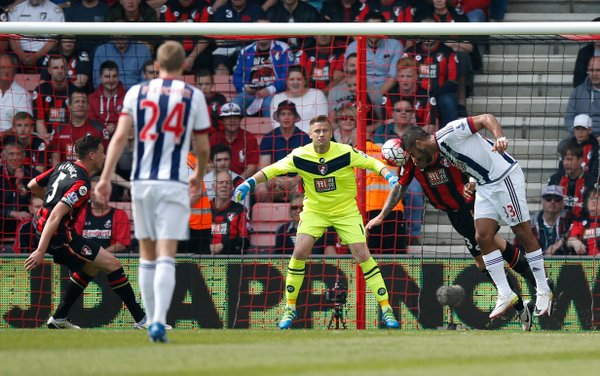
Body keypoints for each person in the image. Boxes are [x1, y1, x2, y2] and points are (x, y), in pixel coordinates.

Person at [234, 115, 400, 329]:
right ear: (310, 134)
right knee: (300, 252)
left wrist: (390, 176)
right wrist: (248, 182)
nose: (321, 134)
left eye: (325, 130)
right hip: (315, 211)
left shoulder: (345, 152)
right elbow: (271, 170)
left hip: (345, 211)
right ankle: (290, 307)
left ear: (331, 133)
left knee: (362, 253)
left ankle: (386, 308)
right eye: (317, 131)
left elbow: (374, 163)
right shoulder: (300, 155)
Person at [95, 41, 211, 342]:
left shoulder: (136, 92)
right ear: (184, 65)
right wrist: (198, 174)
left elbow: (120, 137)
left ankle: (150, 321)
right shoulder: (193, 95)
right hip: (173, 183)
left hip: (142, 183)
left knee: (146, 254)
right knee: (166, 254)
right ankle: (159, 320)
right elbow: (202, 145)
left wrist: (106, 177)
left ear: (156, 65)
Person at [367, 139, 539, 329]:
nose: (412, 160)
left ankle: (525, 300)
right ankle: (531, 293)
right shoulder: (411, 164)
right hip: (454, 212)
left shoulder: (445, 153)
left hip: (470, 205)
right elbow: (400, 187)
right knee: (492, 248)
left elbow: (471, 165)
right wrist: (382, 215)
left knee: (486, 252)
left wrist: (472, 183)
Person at [401, 114, 554, 318]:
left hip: (504, 177)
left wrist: (499, 137)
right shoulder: (442, 150)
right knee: (482, 237)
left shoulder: (449, 132)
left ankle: (544, 289)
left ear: (420, 144)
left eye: (413, 154)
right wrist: (472, 182)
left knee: (523, 232)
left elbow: (485, 118)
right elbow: (472, 158)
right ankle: (506, 293)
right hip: (484, 184)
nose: (414, 159)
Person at [24, 135, 146, 330]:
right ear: (92, 155)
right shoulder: (82, 184)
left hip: (41, 225)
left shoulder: (62, 166)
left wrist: (48, 200)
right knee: (113, 264)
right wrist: (40, 250)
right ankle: (142, 321)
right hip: (59, 237)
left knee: (90, 267)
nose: (104, 156)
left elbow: (32, 185)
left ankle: (59, 318)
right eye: (102, 152)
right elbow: (55, 215)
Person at [232, 18, 294, 116]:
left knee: (268, 104)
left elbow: (288, 74)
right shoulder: (245, 51)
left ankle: (271, 132)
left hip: (275, 92)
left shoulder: (283, 48)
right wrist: (245, 88)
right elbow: (237, 77)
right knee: (234, 106)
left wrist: (270, 89)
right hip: (250, 94)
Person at [256, 100, 311, 202]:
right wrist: (269, 178)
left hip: (297, 179)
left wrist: (295, 180)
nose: (286, 117)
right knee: (261, 189)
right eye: (283, 114)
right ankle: (265, 218)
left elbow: (308, 166)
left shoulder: (305, 138)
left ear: (295, 117)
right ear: (278, 117)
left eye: (290, 114)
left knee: (301, 188)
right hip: (275, 180)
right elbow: (263, 165)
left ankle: (299, 217)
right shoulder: (268, 137)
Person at [50, 89, 110, 165]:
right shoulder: (58, 130)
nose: (81, 104)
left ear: (88, 106)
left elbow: (106, 158)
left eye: (83, 101)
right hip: (66, 175)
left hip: (92, 175)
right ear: (69, 106)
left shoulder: (99, 129)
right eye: (77, 101)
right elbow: (55, 161)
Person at [75, 177, 131, 254]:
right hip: (84, 257)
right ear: (89, 194)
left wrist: (98, 256)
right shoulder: (81, 213)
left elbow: (121, 244)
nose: (96, 193)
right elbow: (76, 240)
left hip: (110, 258)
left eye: (100, 189)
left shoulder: (120, 214)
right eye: (93, 190)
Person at [269, 65, 329, 134]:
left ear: (305, 81)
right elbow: (276, 124)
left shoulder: (317, 94)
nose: (295, 82)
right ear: (286, 81)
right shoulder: (277, 98)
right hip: (286, 139)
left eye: (299, 79)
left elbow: (321, 122)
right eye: (292, 79)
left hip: (312, 139)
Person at [8, 0, 64, 68]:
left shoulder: (56, 11)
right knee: (8, 61)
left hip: (44, 53)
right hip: (20, 53)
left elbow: (54, 40)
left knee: (54, 62)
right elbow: (13, 37)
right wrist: (21, 55)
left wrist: (36, 56)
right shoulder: (16, 10)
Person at [548, 139, 595, 221]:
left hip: (583, 224)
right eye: (564, 159)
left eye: (569, 159)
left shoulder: (591, 182)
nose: (566, 163)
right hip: (559, 223)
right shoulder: (555, 180)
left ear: (580, 160)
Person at [209, 102, 259, 178]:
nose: (232, 121)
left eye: (236, 117)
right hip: (217, 181)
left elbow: (251, 167)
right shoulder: (213, 138)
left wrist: (237, 182)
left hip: (242, 182)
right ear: (222, 121)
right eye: (228, 118)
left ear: (240, 120)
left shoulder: (250, 138)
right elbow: (207, 164)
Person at [1, 142, 39, 237]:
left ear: (23, 157)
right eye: (11, 154)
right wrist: (11, 213)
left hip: (27, 223)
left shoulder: (33, 174)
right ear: (4, 157)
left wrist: (21, 185)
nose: (15, 158)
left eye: (18, 154)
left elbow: (37, 201)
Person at [211, 170, 249, 254]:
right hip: (204, 257)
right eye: (220, 182)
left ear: (232, 188)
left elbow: (244, 241)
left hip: (230, 259)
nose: (224, 185)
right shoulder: (204, 209)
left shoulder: (240, 210)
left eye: (227, 183)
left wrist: (223, 246)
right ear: (213, 187)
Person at [528, 185, 571, 256]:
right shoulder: (531, 222)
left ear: (562, 202)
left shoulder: (569, 220)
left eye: (557, 199)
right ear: (542, 201)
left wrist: (561, 242)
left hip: (562, 261)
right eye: (548, 198)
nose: (553, 201)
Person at [87, 60, 126, 137]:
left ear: (118, 77)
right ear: (100, 77)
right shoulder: (91, 98)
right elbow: (90, 122)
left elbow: (128, 120)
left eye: (114, 76)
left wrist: (116, 127)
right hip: (97, 138)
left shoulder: (127, 98)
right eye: (107, 77)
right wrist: (104, 130)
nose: (111, 80)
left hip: (121, 137)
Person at [556, 113, 598, 183]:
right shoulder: (568, 147)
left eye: (583, 129)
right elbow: (562, 170)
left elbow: (595, 172)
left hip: (589, 183)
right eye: (577, 129)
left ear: (589, 130)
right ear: (574, 130)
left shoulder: (596, 149)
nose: (580, 132)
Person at [565, 57, 600, 134]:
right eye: (591, 70)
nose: (594, 74)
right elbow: (568, 118)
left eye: (598, 70)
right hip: (582, 136)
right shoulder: (577, 92)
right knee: (563, 145)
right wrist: (579, 133)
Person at [0, 53, 32, 134]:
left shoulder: (23, 95)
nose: (6, 71)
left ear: (14, 70)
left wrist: (5, 134)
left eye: (9, 67)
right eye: (2, 67)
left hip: (12, 138)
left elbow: (26, 125)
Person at [566, 187, 600, 256]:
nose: (593, 201)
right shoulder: (579, 221)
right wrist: (574, 242)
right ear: (586, 202)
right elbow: (570, 240)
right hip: (584, 262)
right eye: (591, 198)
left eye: (596, 198)